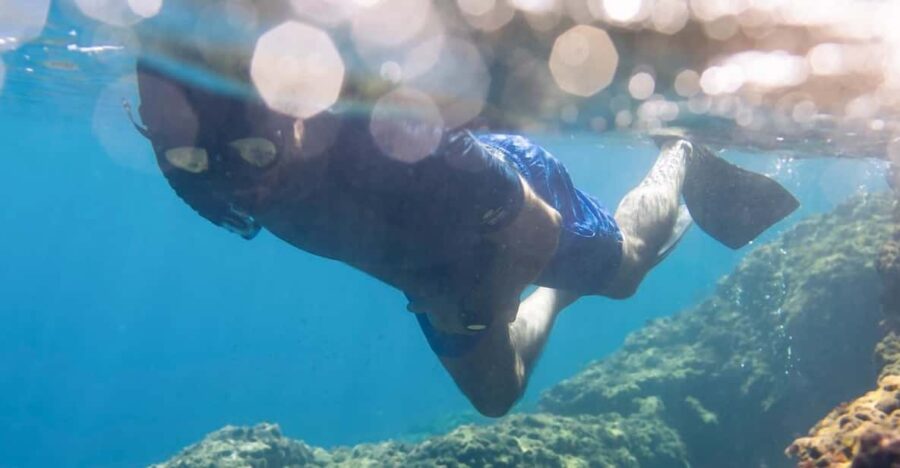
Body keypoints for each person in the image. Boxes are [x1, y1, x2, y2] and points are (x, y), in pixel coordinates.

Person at [134, 61, 798, 417]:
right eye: (185, 158)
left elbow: (533, 227)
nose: (233, 184)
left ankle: (678, 154)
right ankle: (551, 294)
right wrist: (442, 292)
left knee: (624, 272)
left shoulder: (402, 142)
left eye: (252, 153)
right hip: (430, 271)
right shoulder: (211, 165)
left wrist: (482, 304)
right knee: (496, 397)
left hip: (509, 206)